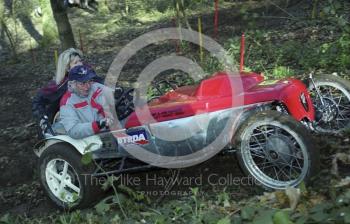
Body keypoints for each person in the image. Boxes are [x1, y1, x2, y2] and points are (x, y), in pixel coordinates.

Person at [32, 48, 103, 137]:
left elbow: (101, 84)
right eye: (75, 63)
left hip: (90, 112)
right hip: (69, 119)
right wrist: (42, 117)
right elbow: (38, 100)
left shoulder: (86, 72)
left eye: (80, 61)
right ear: (67, 68)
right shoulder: (59, 85)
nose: (80, 64)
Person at [59, 64, 113, 139]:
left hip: (112, 126)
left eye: (89, 81)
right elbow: (73, 130)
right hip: (92, 139)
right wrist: (98, 124)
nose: (87, 86)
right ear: (73, 84)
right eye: (82, 83)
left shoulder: (95, 86)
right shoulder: (67, 103)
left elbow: (112, 94)